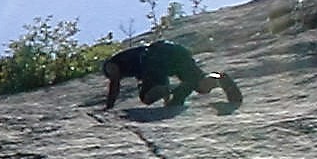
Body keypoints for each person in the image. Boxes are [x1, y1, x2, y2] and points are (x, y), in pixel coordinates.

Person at [102, 41, 242, 110]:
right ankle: (219, 77)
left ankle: (178, 89)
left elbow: (114, 84)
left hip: (155, 56)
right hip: (176, 51)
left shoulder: (112, 63)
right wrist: (169, 102)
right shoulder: (136, 66)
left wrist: (109, 107)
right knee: (200, 85)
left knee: (147, 98)